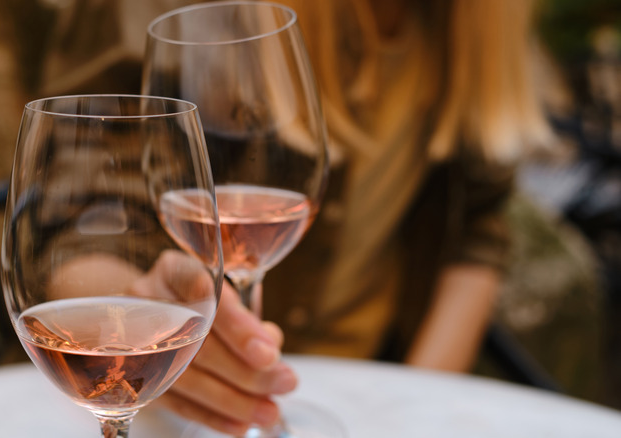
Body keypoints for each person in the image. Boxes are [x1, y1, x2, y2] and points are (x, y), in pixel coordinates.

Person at [37, 0, 553, 434]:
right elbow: (83, 219)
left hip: (364, 393)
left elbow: (476, 233)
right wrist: (135, 318)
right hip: (165, 415)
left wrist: (411, 407)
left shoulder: (472, 27)